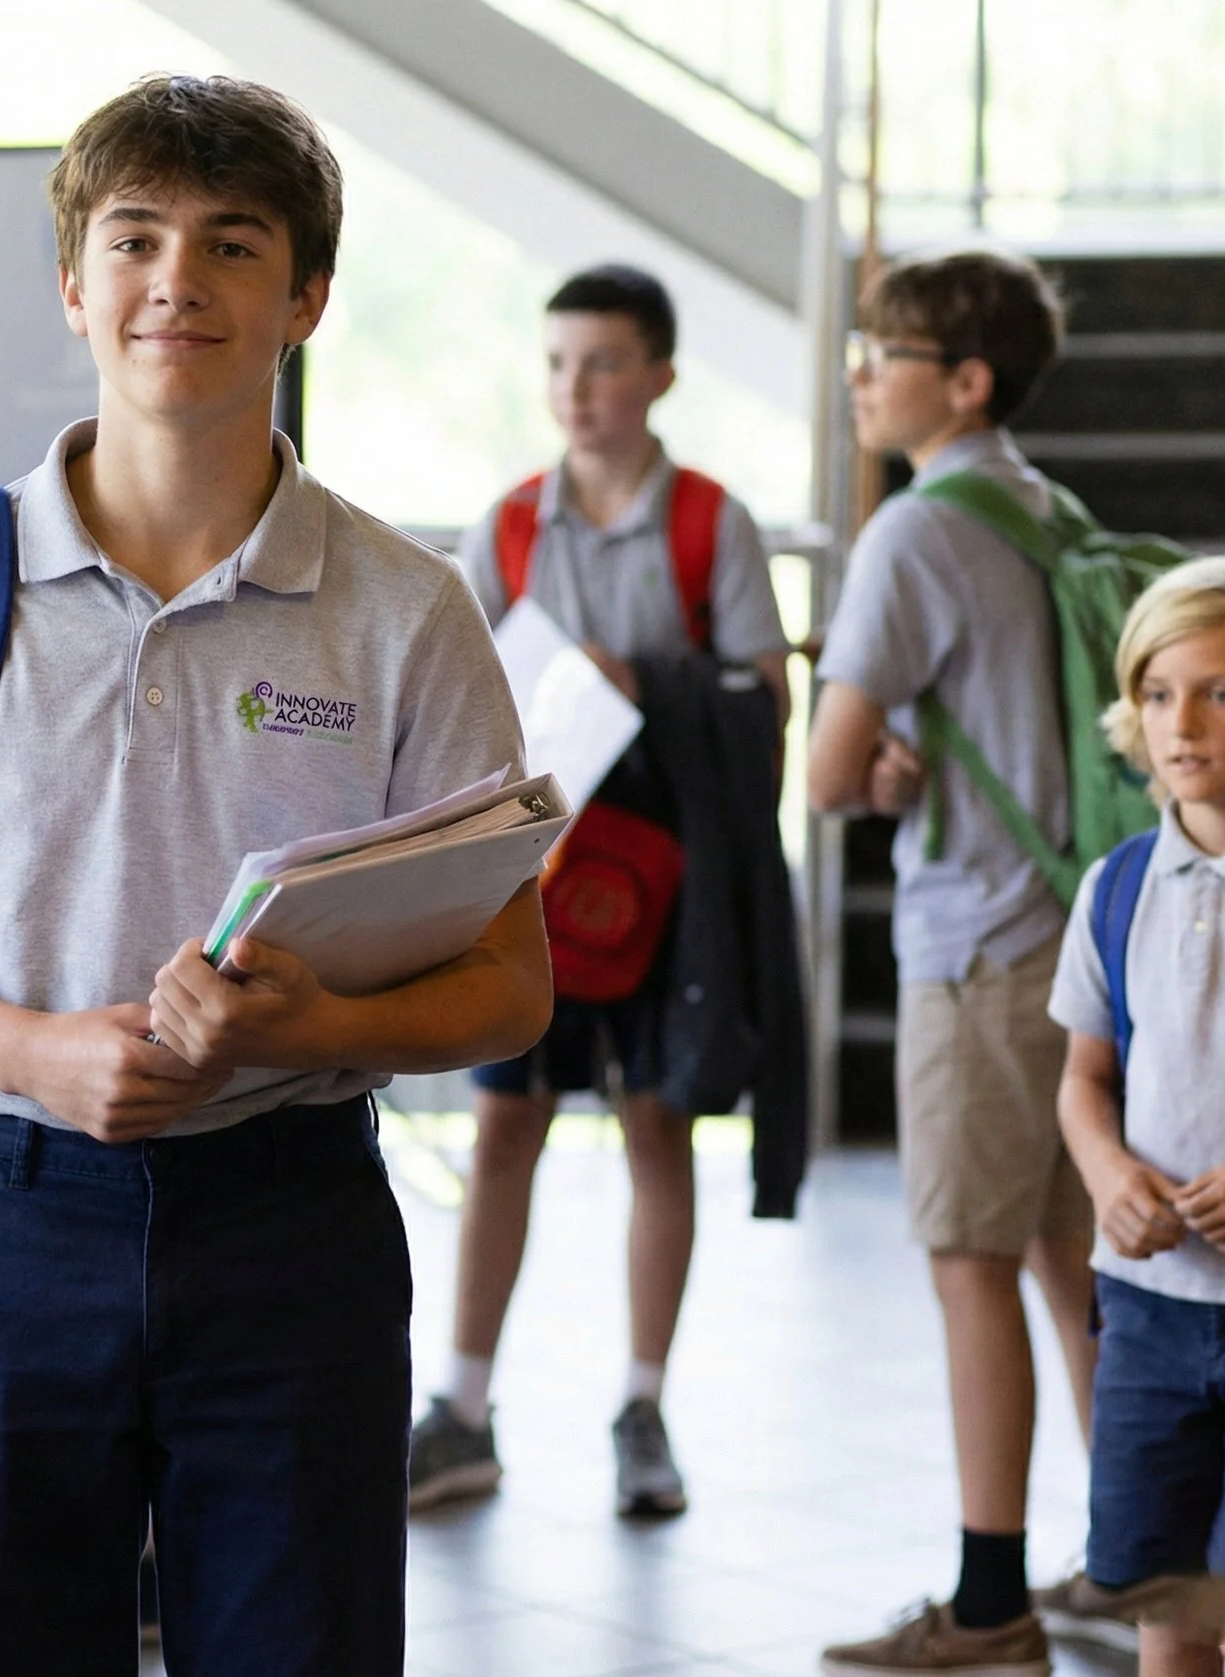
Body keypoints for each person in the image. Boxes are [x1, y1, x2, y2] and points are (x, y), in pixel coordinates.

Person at [0, 75, 552, 1675]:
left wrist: (301, 1029)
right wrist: (33, 1052)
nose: (176, 279)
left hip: (292, 1221)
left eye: (233, 244)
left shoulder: (406, 607)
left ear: (306, 299)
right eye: (133, 239)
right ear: (72, 285)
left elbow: (513, 980)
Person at [413, 263, 791, 1520]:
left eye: (606, 363)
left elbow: (763, 701)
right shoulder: (511, 523)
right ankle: (462, 1408)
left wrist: (636, 679)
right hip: (532, 874)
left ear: (660, 376)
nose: (577, 391)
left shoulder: (709, 525)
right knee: (504, 1123)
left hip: (663, 882)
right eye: (560, 364)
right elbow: (455, 700)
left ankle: (643, 1404)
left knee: (654, 1123)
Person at [809, 251, 1101, 1673]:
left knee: (972, 1262)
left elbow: (825, 768)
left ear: (965, 380)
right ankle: (1137, 1556)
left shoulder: (917, 531)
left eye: (890, 349)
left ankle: (992, 1607)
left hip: (979, 944)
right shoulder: (1047, 509)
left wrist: (883, 770)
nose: (863, 370)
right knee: (1065, 1247)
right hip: (1079, 940)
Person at [1048, 557, 1225, 1677]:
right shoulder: (1116, 886)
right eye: (1158, 694)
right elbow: (1081, 1080)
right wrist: (1108, 1174)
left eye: (1221, 693)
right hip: (1147, 1313)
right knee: (1169, 1611)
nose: (1181, 724)